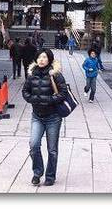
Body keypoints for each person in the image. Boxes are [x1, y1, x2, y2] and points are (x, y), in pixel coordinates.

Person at [22, 48, 68, 186]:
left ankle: (50, 176)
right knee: (33, 145)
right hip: (37, 116)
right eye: (39, 57)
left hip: (53, 117)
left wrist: (50, 100)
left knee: (52, 149)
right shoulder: (31, 75)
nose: (41, 60)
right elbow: (25, 91)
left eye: (44, 57)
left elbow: (63, 92)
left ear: (49, 59)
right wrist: (32, 99)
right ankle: (37, 172)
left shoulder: (56, 74)